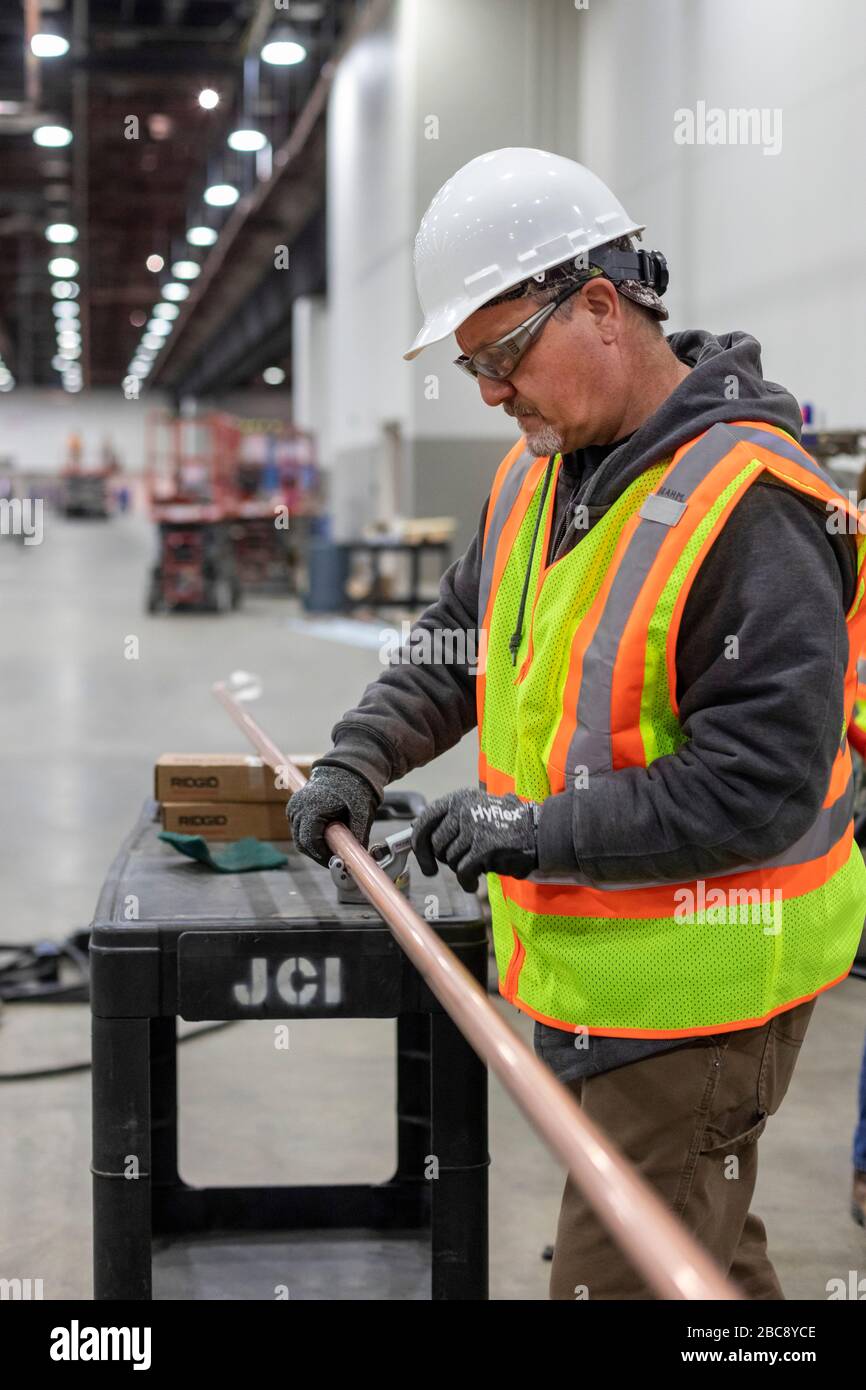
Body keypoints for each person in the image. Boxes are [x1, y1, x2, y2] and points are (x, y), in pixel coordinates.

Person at [288, 148, 866, 1298]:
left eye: (502, 358)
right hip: (594, 979)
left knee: (622, 1279)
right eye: (474, 370)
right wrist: (358, 754)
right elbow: (455, 643)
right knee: (705, 1254)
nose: (493, 394)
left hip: (701, 997)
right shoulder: (537, 478)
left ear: (601, 305)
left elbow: (753, 785)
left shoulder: (750, 505)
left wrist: (532, 828)